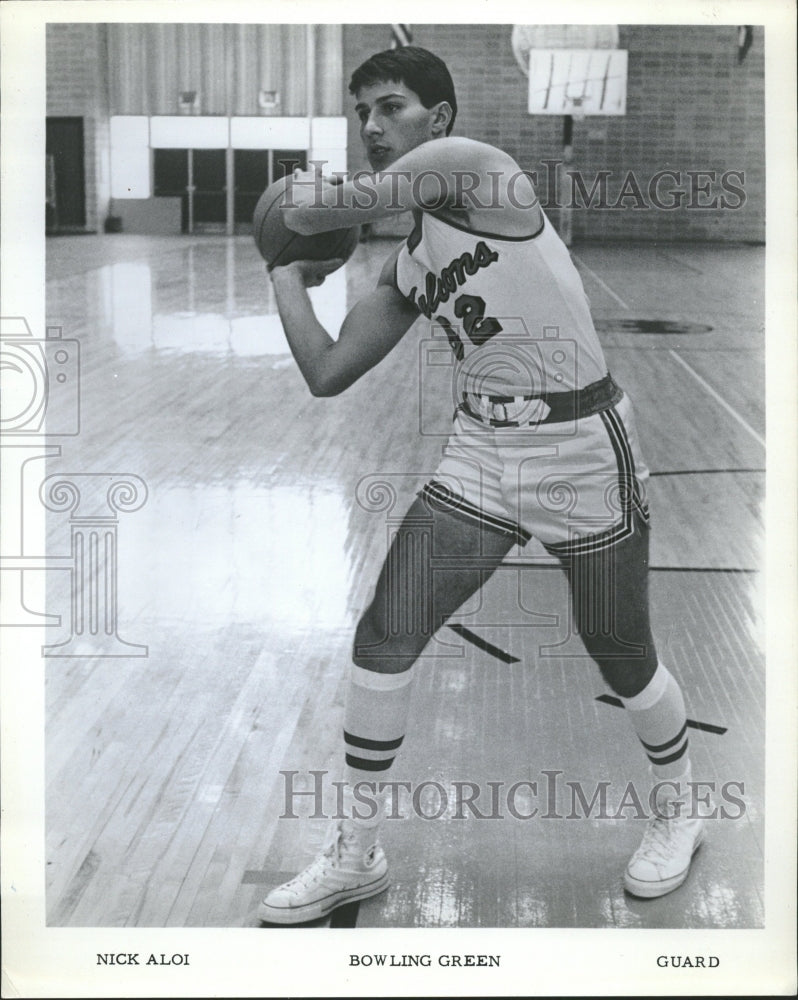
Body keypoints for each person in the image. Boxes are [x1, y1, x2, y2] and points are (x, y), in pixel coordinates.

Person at [257, 46, 703, 924]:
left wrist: (286, 209)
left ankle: (682, 807)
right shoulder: (412, 266)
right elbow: (328, 370)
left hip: (580, 445)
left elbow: (335, 201)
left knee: (619, 648)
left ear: (441, 119)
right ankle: (357, 850)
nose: (374, 128)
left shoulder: (484, 172)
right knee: (386, 633)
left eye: (390, 108)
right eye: (363, 115)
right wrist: (283, 275)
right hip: (481, 453)